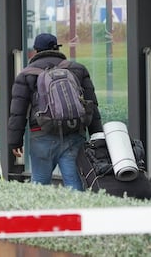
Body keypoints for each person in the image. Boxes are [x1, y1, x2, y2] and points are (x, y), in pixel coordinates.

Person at [7, 33, 103, 190]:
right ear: (56, 48)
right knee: (75, 185)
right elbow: (92, 104)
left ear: (36, 51)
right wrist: (97, 134)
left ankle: (39, 214)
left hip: (41, 134)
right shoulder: (77, 69)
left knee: (40, 187)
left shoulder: (26, 74)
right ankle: (77, 213)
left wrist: (15, 141)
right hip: (74, 133)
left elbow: (18, 111)